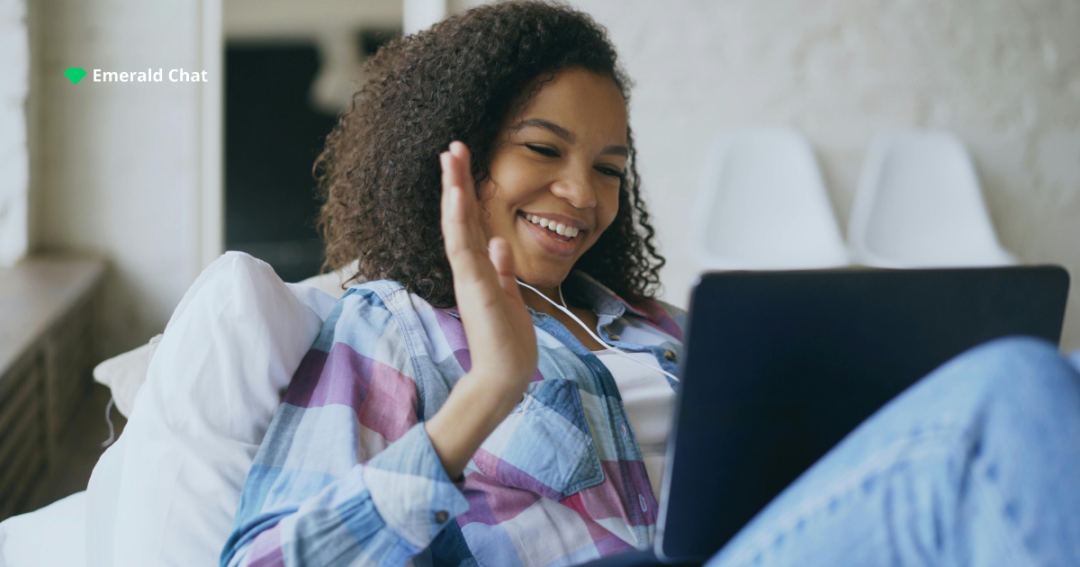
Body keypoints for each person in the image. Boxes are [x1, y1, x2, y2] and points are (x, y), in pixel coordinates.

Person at [220, 2, 1080, 566]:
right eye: (544, 150)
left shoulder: (663, 329)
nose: (583, 193)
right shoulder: (391, 327)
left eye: (609, 167)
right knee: (1018, 388)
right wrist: (487, 391)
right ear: (459, 157)